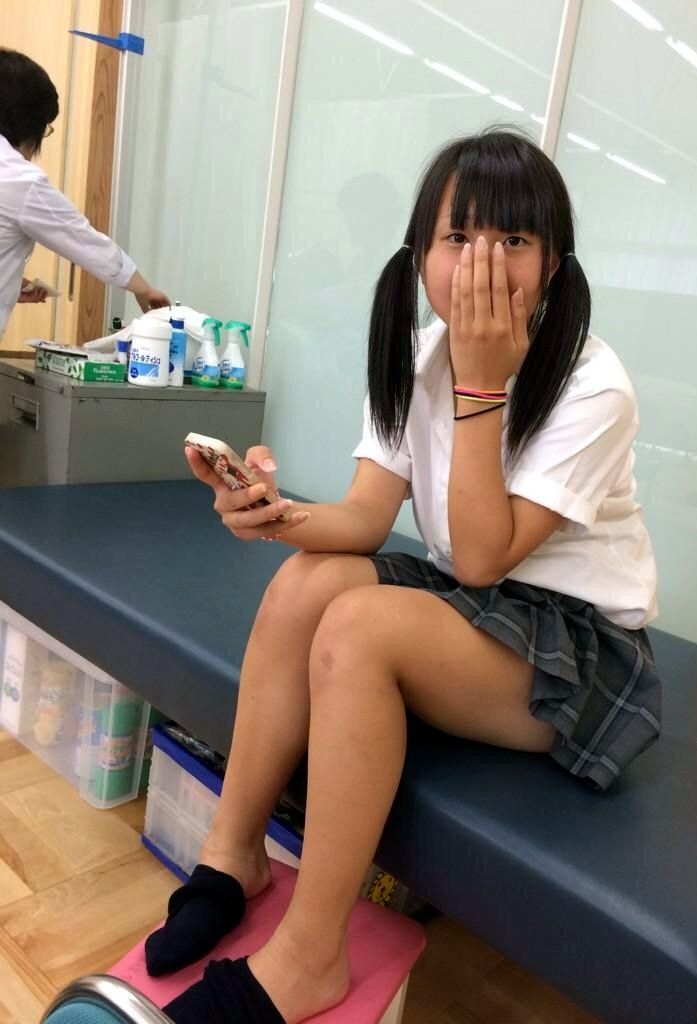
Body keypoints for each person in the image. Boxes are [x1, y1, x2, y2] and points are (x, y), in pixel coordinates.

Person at [149, 127, 662, 1024]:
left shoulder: (593, 384)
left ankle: (312, 957)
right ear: (421, 253)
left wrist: (481, 388)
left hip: (577, 651)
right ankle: (234, 855)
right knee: (308, 582)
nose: (483, 263)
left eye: (513, 239)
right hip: (479, 603)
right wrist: (273, 512)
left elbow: (484, 555)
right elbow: (363, 517)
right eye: (458, 236)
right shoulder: (419, 354)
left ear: (553, 264)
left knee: (359, 629)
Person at [0, 48, 169, 340]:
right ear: (28, 124)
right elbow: (82, 239)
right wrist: (144, 289)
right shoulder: (19, 179)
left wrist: (10, 283)